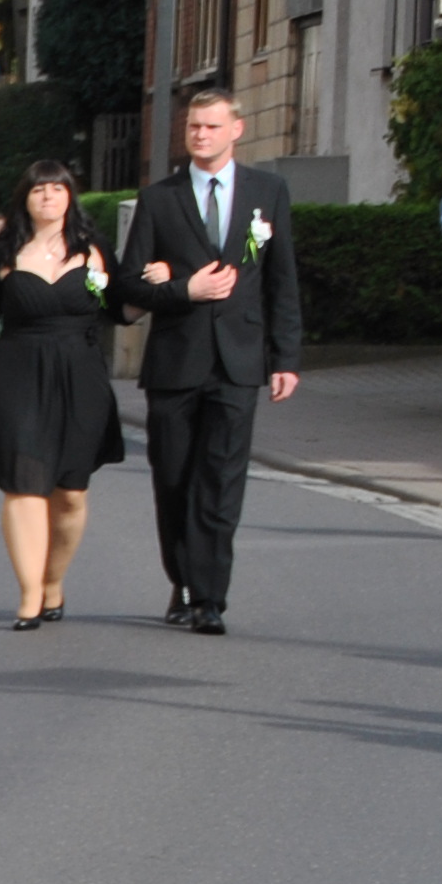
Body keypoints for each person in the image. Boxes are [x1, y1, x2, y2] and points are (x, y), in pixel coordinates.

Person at [114, 88, 303, 633]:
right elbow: (127, 287)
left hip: (238, 363)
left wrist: (286, 358)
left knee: (221, 481)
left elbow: (281, 280)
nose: (201, 135)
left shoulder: (268, 192)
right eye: (194, 126)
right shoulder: (159, 199)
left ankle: (209, 598)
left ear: (236, 130)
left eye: (212, 126)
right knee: (174, 480)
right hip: (176, 363)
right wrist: (183, 289)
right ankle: (182, 581)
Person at [0, 161, 125, 627]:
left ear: (70, 196)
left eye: (57, 189)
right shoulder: (1, 255)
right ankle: (29, 596)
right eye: (38, 190)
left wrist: (167, 282)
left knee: (70, 494)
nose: (48, 197)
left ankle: (52, 581)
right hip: (17, 375)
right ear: (24, 199)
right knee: (24, 484)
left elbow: (123, 308)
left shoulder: (94, 249)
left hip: (80, 377)